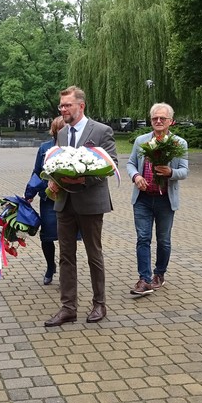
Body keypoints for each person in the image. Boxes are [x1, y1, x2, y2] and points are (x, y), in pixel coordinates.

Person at [44, 86, 118, 326]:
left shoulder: (102, 131)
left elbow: (111, 165)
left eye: (68, 105)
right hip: (64, 203)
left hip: (90, 202)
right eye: (61, 106)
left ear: (81, 106)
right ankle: (68, 308)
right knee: (66, 256)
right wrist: (54, 179)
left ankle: (99, 303)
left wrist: (84, 179)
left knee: (93, 254)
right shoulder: (62, 133)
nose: (63, 109)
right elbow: (57, 162)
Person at [126, 103, 189, 295]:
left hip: (165, 200)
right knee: (143, 238)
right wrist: (136, 176)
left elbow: (184, 171)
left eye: (162, 118)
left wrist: (170, 172)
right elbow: (130, 163)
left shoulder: (179, 143)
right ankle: (144, 279)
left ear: (171, 121)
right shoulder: (141, 141)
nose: (158, 121)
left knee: (163, 240)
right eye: (155, 118)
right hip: (143, 199)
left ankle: (159, 274)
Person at [24, 116, 66, 285]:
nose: (62, 132)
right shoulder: (44, 148)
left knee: (66, 238)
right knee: (47, 236)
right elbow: (36, 171)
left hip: (67, 199)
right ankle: (50, 266)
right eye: (59, 129)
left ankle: (66, 272)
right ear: (54, 130)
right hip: (48, 199)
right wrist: (29, 193)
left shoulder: (73, 148)